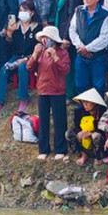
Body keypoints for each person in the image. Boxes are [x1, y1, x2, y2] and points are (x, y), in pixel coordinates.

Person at [30, 26, 71, 160]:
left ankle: (61, 148)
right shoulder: (40, 51)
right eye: (42, 38)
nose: (44, 40)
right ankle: (43, 149)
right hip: (43, 89)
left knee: (59, 120)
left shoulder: (62, 52)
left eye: (45, 38)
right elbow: (29, 67)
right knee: (43, 120)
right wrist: (35, 55)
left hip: (57, 90)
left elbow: (65, 70)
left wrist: (55, 57)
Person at [70, 0, 108, 96]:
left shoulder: (105, 14)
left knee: (98, 86)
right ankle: (82, 109)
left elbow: (104, 38)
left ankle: (97, 111)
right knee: (80, 85)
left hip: (98, 57)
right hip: (80, 55)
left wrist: (88, 48)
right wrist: (80, 47)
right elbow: (72, 30)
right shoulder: (78, 10)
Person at [70, 88, 107, 167]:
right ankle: (83, 154)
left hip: (98, 136)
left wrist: (90, 133)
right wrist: (81, 132)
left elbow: (103, 130)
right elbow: (77, 126)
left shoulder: (102, 112)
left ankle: (98, 157)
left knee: (96, 136)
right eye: (83, 102)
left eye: (87, 103)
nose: (85, 105)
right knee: (69, 134)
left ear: (94, 103)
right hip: (84, 136)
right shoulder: (79, 111)